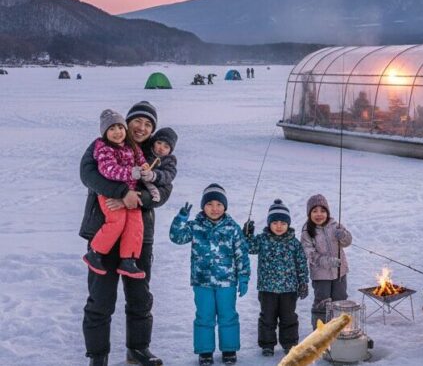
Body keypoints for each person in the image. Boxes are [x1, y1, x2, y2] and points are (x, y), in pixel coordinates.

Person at [79, 101, 172, 366]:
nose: (141, 128)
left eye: (148, 124)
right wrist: (121, 193)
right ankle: (98, 356)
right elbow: (88, 175)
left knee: (140, 296)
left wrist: (137, 197)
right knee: (101, 298)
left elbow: (164, 191)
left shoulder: (158, 152)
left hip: (139, 236)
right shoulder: (102, 144)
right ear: (123, 124)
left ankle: (138, 349)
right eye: (136, 122)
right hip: (104, 232)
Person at [169, 184, 251, 366]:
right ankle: (205, 351)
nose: (214, 208)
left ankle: (229, 349)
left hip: (227, 282)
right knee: (204, 316)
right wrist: (180, 219)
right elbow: (176, 237)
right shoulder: (195, 226)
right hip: (202, 281)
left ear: (225, 207)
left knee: (228, 316)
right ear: (203, 206)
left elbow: (241, 253)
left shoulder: (232, 228)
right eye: (210, 204)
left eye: (219, 204)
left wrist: (244, 277)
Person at [82, 109, 157, 280]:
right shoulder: (103, 147)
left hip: (132, 197)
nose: (117, 132)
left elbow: (140, 158)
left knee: (135, 224)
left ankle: (128, 260)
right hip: (109, 194)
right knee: (117, 221)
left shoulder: (132, 145)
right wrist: (132, 174)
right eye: (112, 129)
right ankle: (95, 253)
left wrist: (145, 167)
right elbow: (108, 170)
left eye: (120, 128)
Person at [244, 199, 309, 357]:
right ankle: (267, 345)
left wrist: (303, 283)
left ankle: (289, 344)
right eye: (275, 223)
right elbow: (248, 247)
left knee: (289, 318)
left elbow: (301, 264)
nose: (279, 226)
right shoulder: (262, 239)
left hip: (289, 289)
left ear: (288, 224)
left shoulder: (294, 243)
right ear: (269, 224)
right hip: (267, 289)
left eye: (283, 223)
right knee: (267, 318)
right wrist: (247, 233)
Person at [300, 194, 352, 327]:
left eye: (322, 211)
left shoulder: (335, 225)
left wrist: (343, 235)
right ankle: (320, 333)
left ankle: (338, 330)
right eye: (314, 211)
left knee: (340, 301)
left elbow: (347, 242)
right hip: (320, 275)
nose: (319, 214)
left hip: (340, 272)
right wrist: (327, 261)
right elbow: (310, 254)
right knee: (322, 303)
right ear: (309, 213)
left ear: (327, 212)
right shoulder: (307, 231)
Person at [148, 127, 178, 193]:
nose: (161, 148)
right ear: (153, 143)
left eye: (166, 147)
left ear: (170, 150)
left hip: (154, 187)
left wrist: (155, 175)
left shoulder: (169, 160)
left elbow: (169, 174)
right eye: (159, 143)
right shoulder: (146, 153)